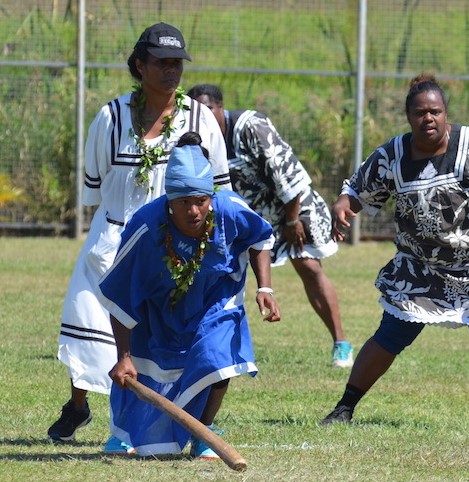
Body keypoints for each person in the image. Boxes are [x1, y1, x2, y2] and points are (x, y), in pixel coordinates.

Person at [320, 74, 469, 429]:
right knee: (390, 335)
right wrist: (342, 205)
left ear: (446, 114)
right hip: (421, 266)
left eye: (435, 111)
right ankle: (345, 407)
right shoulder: (392, 155)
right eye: (420, 113)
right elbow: (358, 190)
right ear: (408, 116)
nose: (427, 118)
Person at [49, 22, 230, 444]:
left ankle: (148, 425)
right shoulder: (110, 117)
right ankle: (78, 406)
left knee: (158, 337)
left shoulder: (201, 118)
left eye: (177, 64)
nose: (172, 71)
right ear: (139, 65)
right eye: (162, 63)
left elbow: (217, 187)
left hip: (173, 245)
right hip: (112, 238)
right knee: (90, 322)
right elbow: (95, 187)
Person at [99, 132, 280, 458]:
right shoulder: (145, 228)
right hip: (157, 312)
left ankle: (203, 432)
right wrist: (123, 355)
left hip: (215, 301)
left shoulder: (229, 210)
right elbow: (120, 294)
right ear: (170, 202)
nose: (194, 210)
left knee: (217, 359)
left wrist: (264, 287)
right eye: (184, 202)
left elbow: (260, 240)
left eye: (200, 200)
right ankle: (124, 431)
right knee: (154, 443)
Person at [187, 84, 353, 368]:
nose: (203, 117)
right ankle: (207, 344)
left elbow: (287, 172)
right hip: (254, 214)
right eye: (196, 113)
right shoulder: (197, 139)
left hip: (295, 206)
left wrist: (292, 220)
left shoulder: (251, 127)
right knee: (218, 272)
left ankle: (341, 343)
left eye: (208, 110)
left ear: (220, 107)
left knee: (309, 267)